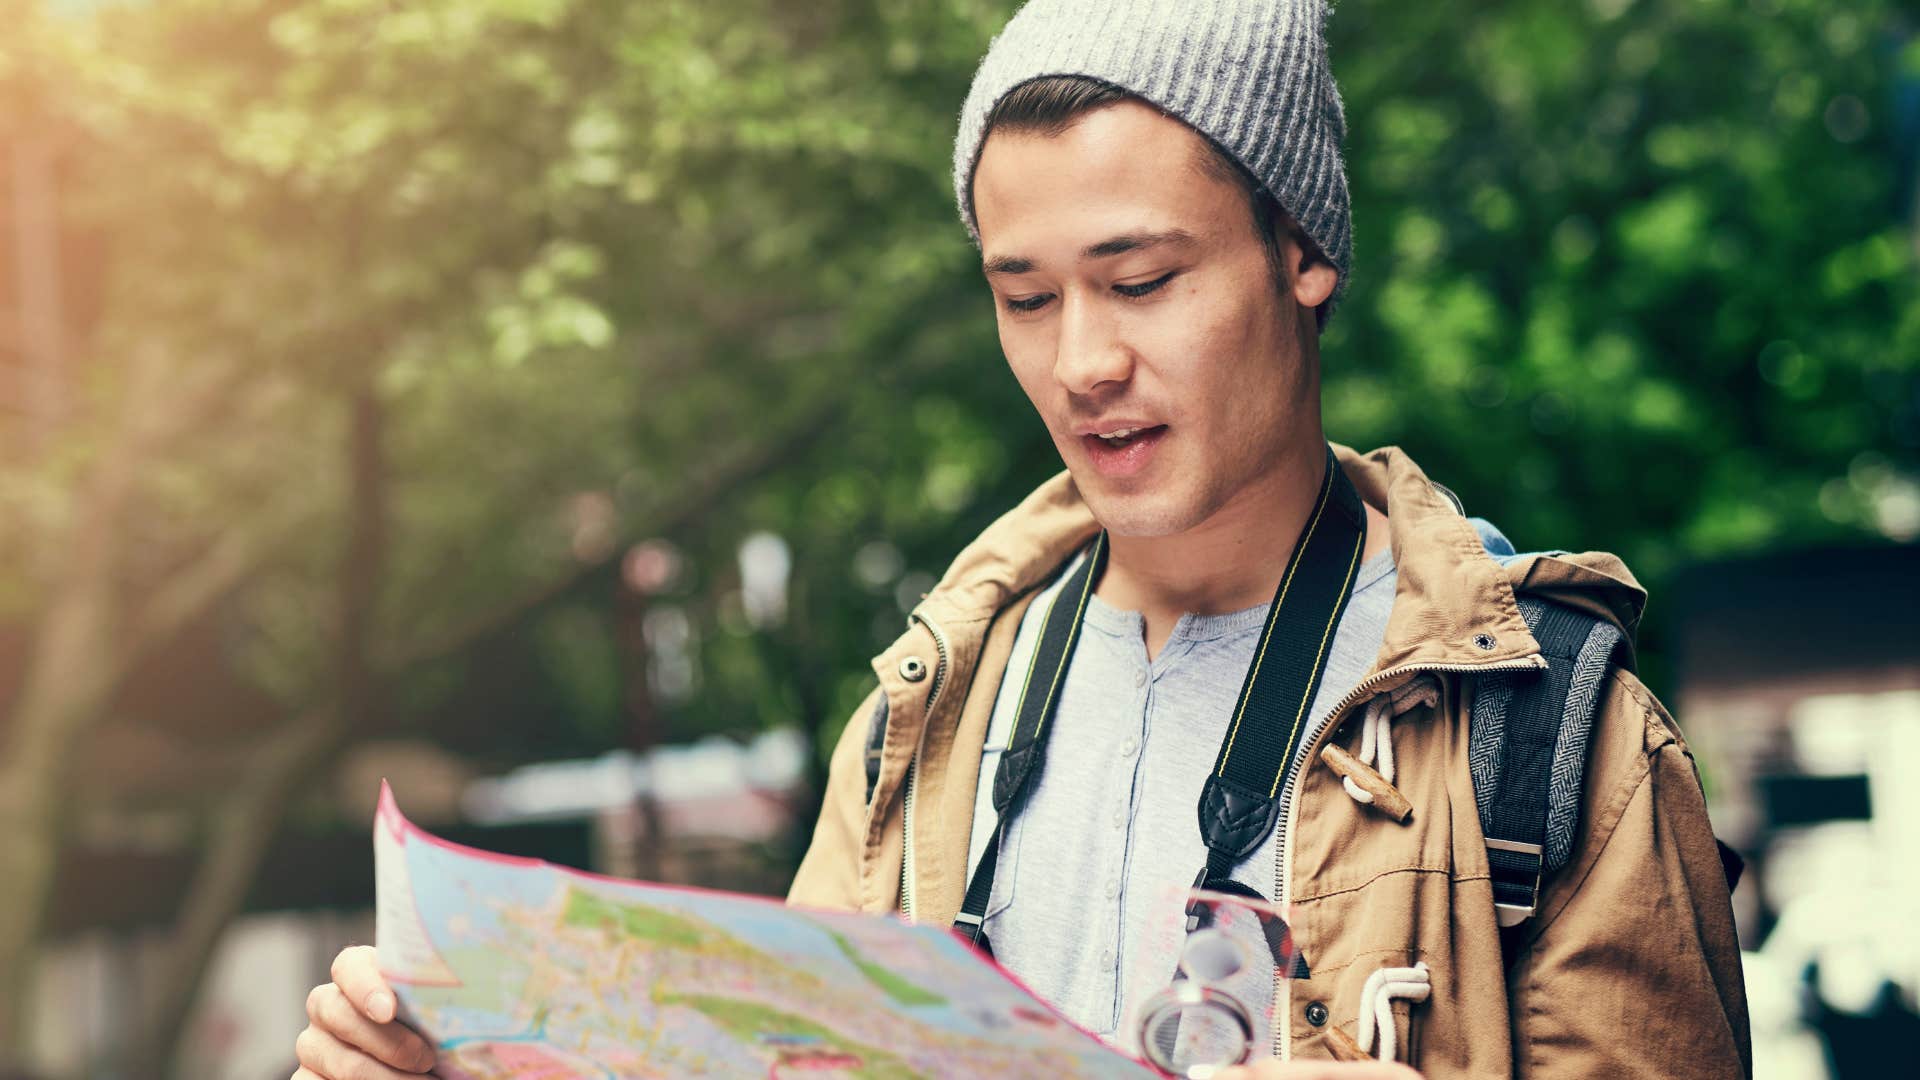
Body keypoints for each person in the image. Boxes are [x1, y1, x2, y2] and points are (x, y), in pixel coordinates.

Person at [292, 2, 1750, 1077]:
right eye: (1027, 298)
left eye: (1141, 280)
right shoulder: (919, 722)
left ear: (1304, 252)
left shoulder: (1553, 736)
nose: (1082, 364)